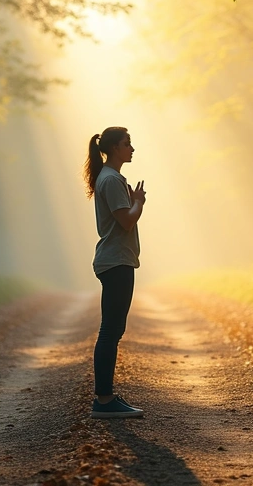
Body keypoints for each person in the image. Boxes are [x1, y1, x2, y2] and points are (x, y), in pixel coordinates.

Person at [83, 127, 147, 419]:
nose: (131, 148)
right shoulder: (110, 179)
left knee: (114, 329)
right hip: (116, 261)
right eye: (127, 144)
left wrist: (134, 202)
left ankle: (106, 397)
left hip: (118, 260)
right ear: (114, 148)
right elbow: (126, 222)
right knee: (110, 330)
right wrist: (138, 203)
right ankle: (104, 400)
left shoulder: (111, 178)